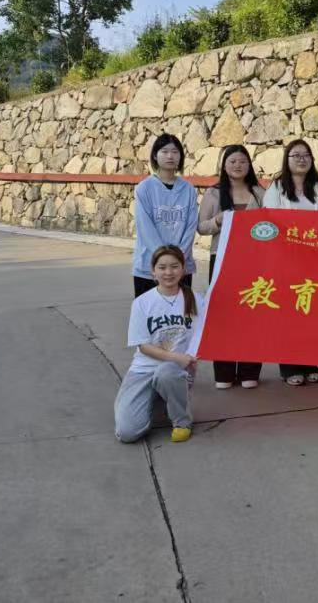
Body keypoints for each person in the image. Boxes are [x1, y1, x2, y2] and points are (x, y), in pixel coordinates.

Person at [114, 246, 202, 444]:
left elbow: (202, 335)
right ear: (153, 271)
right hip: (144, 370)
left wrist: (188, 359)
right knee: (127, 432)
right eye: (162, 267)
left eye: (174, 266)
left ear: (183, 269)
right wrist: (176, 356)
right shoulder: (142, 302)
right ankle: (160, 400)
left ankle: (182, 421)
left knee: (166, 373)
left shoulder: (196, 300)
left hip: (176, 370)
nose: (168, 272)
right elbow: (143, 346)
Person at [264, 139, 318, 386]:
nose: (302, 159)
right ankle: (289, 367)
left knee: (310, 312)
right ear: (287, 159)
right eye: (296, 155)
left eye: (306, 155)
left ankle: (310, 363)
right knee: (288, 315)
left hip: (314, 260)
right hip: (286, 260)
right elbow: (270, 220)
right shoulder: (277, 188)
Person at [198, 145, 265, 389]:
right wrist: (217, 220)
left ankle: (249, 371)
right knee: (223, 315)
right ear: (224, 165)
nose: (238, 165)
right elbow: (201, 227)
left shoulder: (260, 193)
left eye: (242, 161)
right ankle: (224, 373)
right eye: (233, 161)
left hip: (254, 261)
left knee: (252, 315)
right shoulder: (214, 193)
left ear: (249, 165)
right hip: (222, 259)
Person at [134, 134, 198, 297]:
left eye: (175, 152)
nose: (170, 156)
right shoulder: (144, 188)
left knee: (181, 309)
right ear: (155, 155)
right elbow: (145, 227)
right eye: (164, 151)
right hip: (150, 267)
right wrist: (163, 261)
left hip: (181, 267)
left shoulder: (188, 189)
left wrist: (177, 259)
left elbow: (190, 227)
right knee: (150, 310)